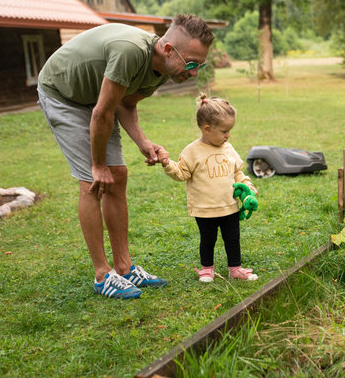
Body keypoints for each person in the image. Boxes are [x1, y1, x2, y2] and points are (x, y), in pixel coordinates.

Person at [37, 15, 214, 299]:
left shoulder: (160, 70)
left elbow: (125, 103)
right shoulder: (130, 52)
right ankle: (102, 275)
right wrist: (97, 165)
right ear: (168, 49)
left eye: (200, 66)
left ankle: (124, 267)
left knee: (118, 175)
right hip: (64, 94)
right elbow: (102, 112)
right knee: (92, 182)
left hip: (97, 100)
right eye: (191, 64)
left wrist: (143, 143)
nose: (194, 73)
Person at [159, 93, 258, 283]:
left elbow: (237, 172)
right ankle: (207, 269)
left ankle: (235, 269)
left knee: (233, 239)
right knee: (207, 240)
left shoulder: (228, 148)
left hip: (229, 206)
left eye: (229, 130)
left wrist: (247, 185)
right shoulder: (192, 151)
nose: (228, 135)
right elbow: (181, 173)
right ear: (207, 128)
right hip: (204, 209)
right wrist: (167, 163)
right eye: (224, 131)